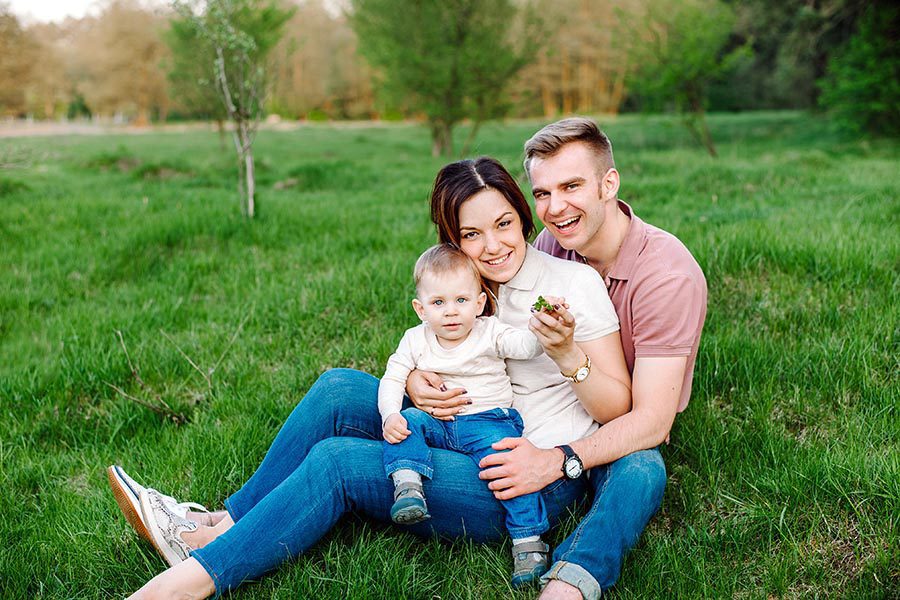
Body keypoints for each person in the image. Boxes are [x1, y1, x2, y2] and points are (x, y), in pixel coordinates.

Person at [112, 155, 632, 599]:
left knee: (337, 462)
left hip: (521, 479)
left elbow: (618, 409)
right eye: (471, 234)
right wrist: (413, 383)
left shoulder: (570, 285)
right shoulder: (471, 291)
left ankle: (186, 582)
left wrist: (567, 353)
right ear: (452, 243)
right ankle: (219, 525)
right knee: (338, 387)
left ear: (523, 219)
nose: (492, 245)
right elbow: (438, 352)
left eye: (503, 224)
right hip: (456, 434)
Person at [410, 117, 708, 599]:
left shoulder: (666, 277)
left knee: (643, 467)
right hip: (509, 422)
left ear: (609, 183)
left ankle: (569, 582)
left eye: (571, 186)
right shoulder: (551, 247)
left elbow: (651, 420)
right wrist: (417, 377)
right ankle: (238, 513)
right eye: (543, 193)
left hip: (617, 428)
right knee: (340, 389)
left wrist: (558, 461)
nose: (556, 208)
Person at [380, 242, 552, 586]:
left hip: (489, 421)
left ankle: (528, 541)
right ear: (420, 308)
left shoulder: (490, 331)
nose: (451, 312)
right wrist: (389, 415)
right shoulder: (416, 339)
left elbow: (525, 347)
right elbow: (393, 377)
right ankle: (408, 485)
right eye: (438, 303)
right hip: (440, 422)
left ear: (480, 303)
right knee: (409, 423)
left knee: (508, 466)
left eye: (461, 301)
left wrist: (541, 330)